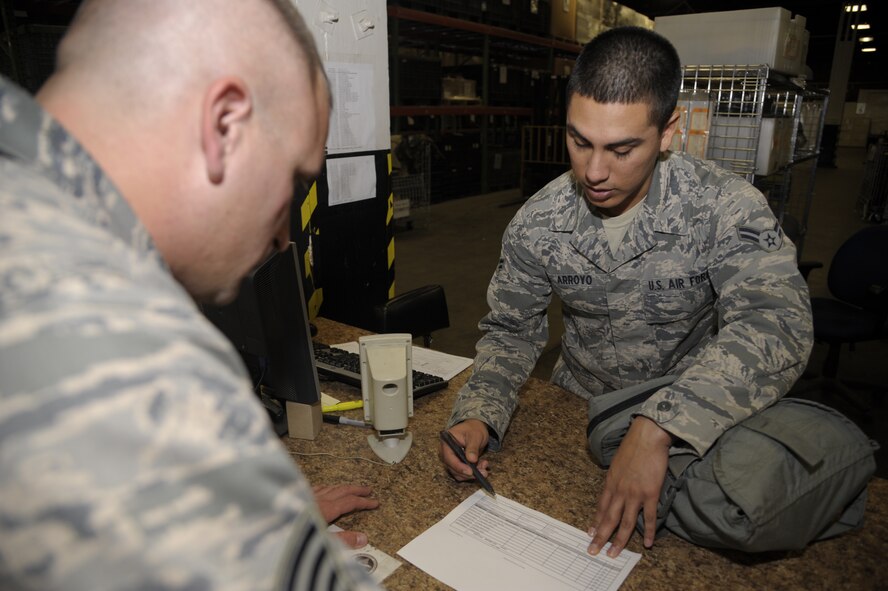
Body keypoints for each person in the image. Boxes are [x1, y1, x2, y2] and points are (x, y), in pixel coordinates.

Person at [0, 1, 382, 589]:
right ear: (224, 124)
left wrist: (241, 511)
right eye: (291, 182)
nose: (283, 237)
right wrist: (248, 521)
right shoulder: (138, 362)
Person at [439, 27, 813, 559]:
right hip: (579, 412)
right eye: (579, 141)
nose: (594, 171)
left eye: (622, 148)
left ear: (668, 131)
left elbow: (777, 324)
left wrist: (661, 422)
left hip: (694, 421)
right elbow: (511, 332)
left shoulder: (724, 208)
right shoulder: (539, 221)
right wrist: (478, 412)